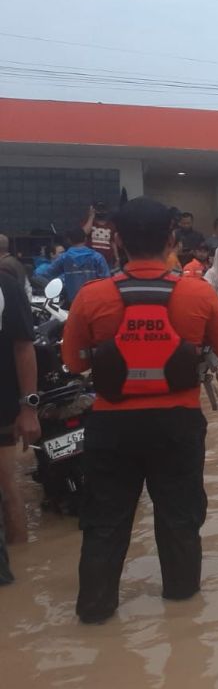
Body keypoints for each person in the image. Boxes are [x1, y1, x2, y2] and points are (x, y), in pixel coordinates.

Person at [61, 197, 218, 624]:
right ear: (172, 239)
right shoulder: (198, 292)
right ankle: (182, 611)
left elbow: (76, 363)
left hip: (110, 424)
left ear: (116, 240)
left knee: (104, 520)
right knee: (180, 516)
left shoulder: (91, 296)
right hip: (177, 423)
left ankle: (96, 612)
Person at [0, 270, 41, 582]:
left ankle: (16, 570)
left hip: (2, 404)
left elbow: (23, 346)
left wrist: (28, 407)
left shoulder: (6, 286)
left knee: (6, 487)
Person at [35, 227, 111, 303]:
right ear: (85, 239)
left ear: (69, 240)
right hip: (95, 301)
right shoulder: (97, 257)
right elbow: (107, 280)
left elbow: (46, 274)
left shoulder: (64, 258)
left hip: (73, 303)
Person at [83, 202, 119, 268]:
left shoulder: (111, 225)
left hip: (107, 261)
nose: (101, 212)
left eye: (103, 209)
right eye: (99, 209)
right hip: (91, 260)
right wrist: (91, 217)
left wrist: (117, 258)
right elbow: (84, 233)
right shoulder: (89, 222)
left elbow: (113, 242)